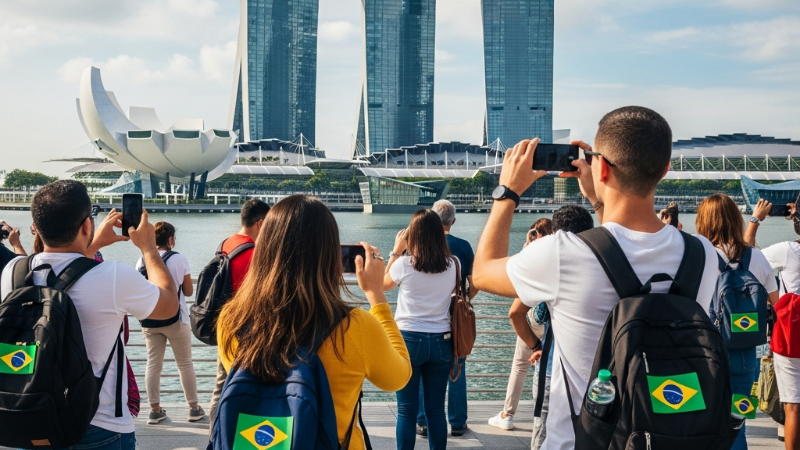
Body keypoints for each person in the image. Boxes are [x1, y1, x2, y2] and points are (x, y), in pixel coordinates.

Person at [472, 106, 720, 450]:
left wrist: (508, 192)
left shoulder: (563, 254)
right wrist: (597, 198)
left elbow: (482, 271)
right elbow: (623, 248)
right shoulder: (704, 255)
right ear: (664, 170)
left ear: (600, 167)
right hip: (665, 437)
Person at [216, 195, 411, 449]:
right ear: (330, 255)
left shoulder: (231, 319)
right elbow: (399, 376)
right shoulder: (355, 326)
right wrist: (376, 295)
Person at [0, 180, 179, 449]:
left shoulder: (13, 271)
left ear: (36, 225)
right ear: (86, 225)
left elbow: (62, 270)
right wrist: (149, 248)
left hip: (28, 418)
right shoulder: (113, 276)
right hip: (99, 425)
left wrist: (90, 244)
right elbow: (168, 307)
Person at [695, 194, 779, 450]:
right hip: (745, 356)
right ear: (736, 220)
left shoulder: (697, 254)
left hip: (702, 353)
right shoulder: (757, 258)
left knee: (701, 425)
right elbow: (776, 304)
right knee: (738, 428)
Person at [384, 209, 459, 450]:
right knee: (436, 410)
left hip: (409, 340)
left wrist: (396, 251)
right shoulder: (453, 264)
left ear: (412, 235)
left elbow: (382, 286)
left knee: (406, 410)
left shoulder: (405, 264)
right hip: (442, 342)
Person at [416, 200, 478, 438]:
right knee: (457, 367)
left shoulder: (419, 245)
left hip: (426, 317)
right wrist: (463, 299)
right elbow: (476, 282)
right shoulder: (463, 246)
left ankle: (422, 422)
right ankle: (458, 422)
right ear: (453, 221)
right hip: (455, 317)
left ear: (430, 218)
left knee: (423, 370)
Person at [208, 199, 270, 427]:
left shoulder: (226, 243)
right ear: (261, 223)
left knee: (221, 385)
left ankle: (215, 436)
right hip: (247, 330)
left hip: (224, 325)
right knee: (249, 388)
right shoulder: (255, 254)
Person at [488, 217, 554, 432]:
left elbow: (511, 274)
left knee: (520, 365)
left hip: (532, 317)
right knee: (552, 367)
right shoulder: (558, 251)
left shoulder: (531, 253)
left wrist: (527, 244)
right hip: (554, 320)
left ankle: (508, 413)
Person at [135, 221, 205, 424]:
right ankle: (193, 408)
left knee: (153, 365)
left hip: (149, 319)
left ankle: (155, 410)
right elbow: (189, 291)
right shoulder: (179, 259)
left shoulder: (141, 261)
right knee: (184, 364)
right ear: (171, 239)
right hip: (176, 318)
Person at [750, 200, 800, 450]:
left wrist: (756, 219)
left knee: (792, 406)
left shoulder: (789, 250)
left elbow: (748, 256)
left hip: (793, 340)